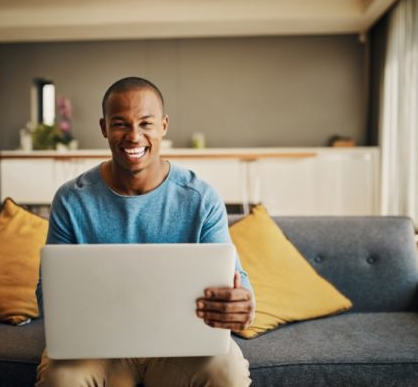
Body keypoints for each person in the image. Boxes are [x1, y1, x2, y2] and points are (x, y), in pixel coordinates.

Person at [35, 76, 255, 387]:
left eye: (146, 123)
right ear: (104, 128)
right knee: (61, 379)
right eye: (120, 124)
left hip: (181, 348)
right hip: (96, 349)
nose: (134, 136)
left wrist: (243, 304)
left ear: (164, 126)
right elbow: (48, 297)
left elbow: (236, 280)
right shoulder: (72, 199)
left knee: (228, 373)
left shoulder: (201, 197)